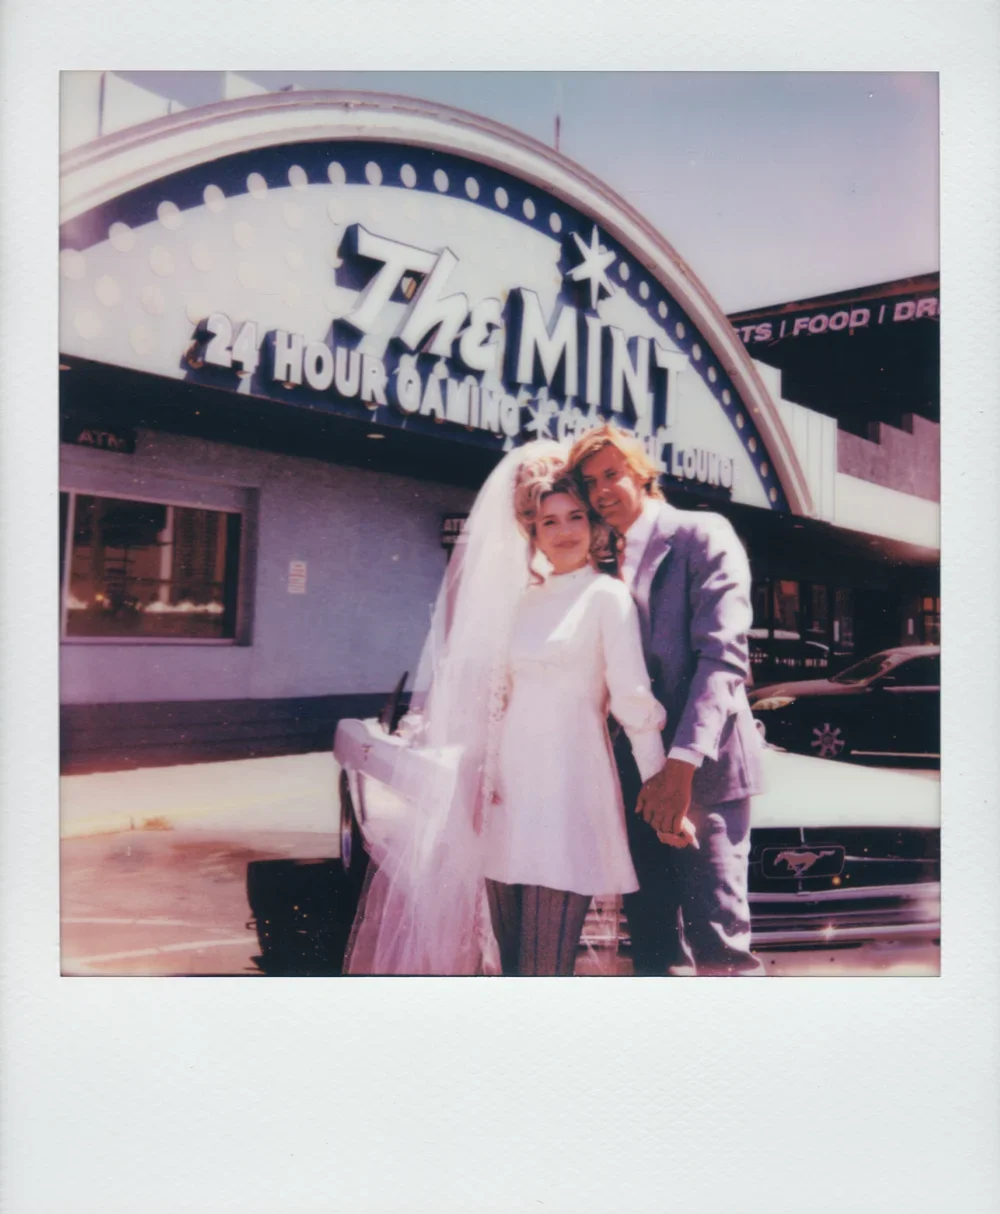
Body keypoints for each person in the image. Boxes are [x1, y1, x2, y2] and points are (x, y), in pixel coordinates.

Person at [344, 441, 676, 976]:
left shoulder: (606, 598)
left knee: (543, 972)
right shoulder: (520, 601)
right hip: (505, 795)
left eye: (575, 517)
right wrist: (480, 774)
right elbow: (494, 701)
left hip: (568, 791)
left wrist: (661, 788)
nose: (564, 531)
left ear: (594, 524)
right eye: (549, 522)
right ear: (532, 531)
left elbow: (634, 702)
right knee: (510, 967)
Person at [567, 425, 765, 976]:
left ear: (641, 472)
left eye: (612, 474)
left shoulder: (702, 534)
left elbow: (723, 658)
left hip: (702, 772)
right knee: (654, 945)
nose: (601, 491)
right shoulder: (598, 556)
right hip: (632, 775)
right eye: (589, 483)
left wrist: (680, 767)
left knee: (720, 946)